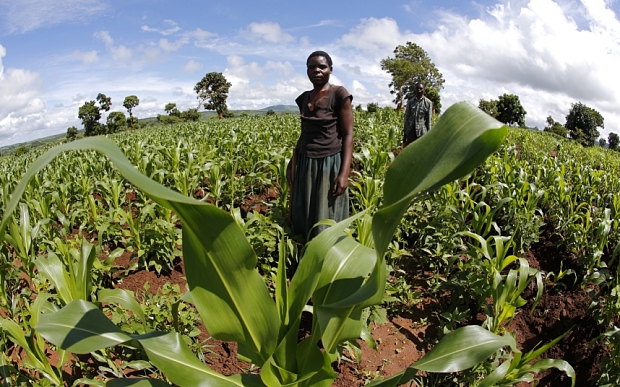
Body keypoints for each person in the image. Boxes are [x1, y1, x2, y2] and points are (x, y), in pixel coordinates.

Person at [287, 51, 354, 240]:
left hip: (329, 163)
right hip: (306, 161)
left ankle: (328, 252)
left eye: (322, 66)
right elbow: (304, 135)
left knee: (327, 212)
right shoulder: (304, 98)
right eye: (311, 67)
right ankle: (304, 250)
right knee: (305, 208)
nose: (316, 70)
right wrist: (293, 162)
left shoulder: (340, 94)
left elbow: (348, 135)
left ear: (330, 70)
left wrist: (343, 173)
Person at [402, 82, 433, 147]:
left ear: (423, 90)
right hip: (410, 131)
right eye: (417, 88)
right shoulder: (410, 102)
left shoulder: (428, 103)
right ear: (415, 90)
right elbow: (406, 117)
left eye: (421, 88)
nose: (419, 90)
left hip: (421, 132)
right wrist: (405, 134)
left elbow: (428, 120)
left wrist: (429, 136)